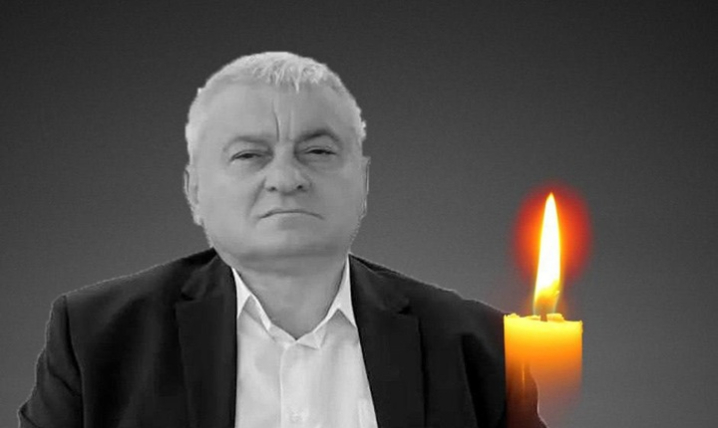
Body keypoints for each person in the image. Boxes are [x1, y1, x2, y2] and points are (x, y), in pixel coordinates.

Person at [19, 52, 545, 428]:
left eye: (317, 151)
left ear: (363, 183)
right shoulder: (96, 339)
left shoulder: (480, 346)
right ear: (195, 190)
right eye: (250, 155)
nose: (286, 178)